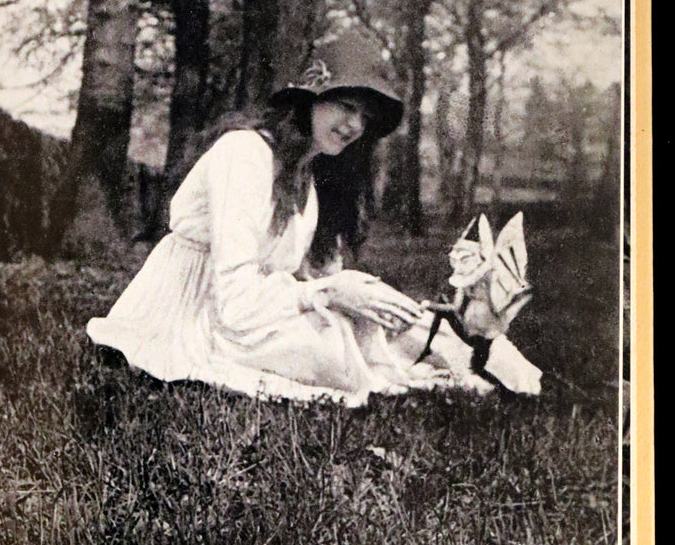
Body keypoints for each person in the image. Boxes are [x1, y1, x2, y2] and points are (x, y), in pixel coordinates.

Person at [86, 32, 539, 406]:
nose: (354, 125)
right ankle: (452, 368)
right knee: (334, 341)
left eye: (365, 117)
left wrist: (375, 301)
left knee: (365, 321)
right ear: (310, 99)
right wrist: (330, 293)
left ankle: (476, 342)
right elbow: (235, 300)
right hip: (198, 313)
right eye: (346, 105)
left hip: (255, 310)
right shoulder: (243, 154)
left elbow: (320, 280)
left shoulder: (308, 180)